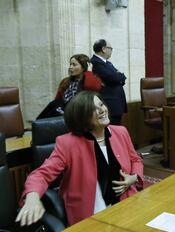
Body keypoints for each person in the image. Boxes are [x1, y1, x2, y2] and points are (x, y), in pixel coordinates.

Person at [16, 91, 144, 226]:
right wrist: (32, 197)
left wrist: (134, 177)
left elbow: (135, 159)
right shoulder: (68, 144)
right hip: (91, 214)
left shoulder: (121, 132)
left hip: (126, 204)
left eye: (101, 104)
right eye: (93, 109)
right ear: (82, 118)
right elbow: (41, 174)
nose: (101, 110)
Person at [91, 39, 127, 125]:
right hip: (110, 104)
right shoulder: (95, 62)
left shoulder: (108, 63)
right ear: (103, 49)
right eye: (110, 48)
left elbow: (121, 77)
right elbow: (113, 77)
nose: (111, 51)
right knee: (111, 131)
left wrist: (119, 77)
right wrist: (118, 76)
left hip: (116, 103)